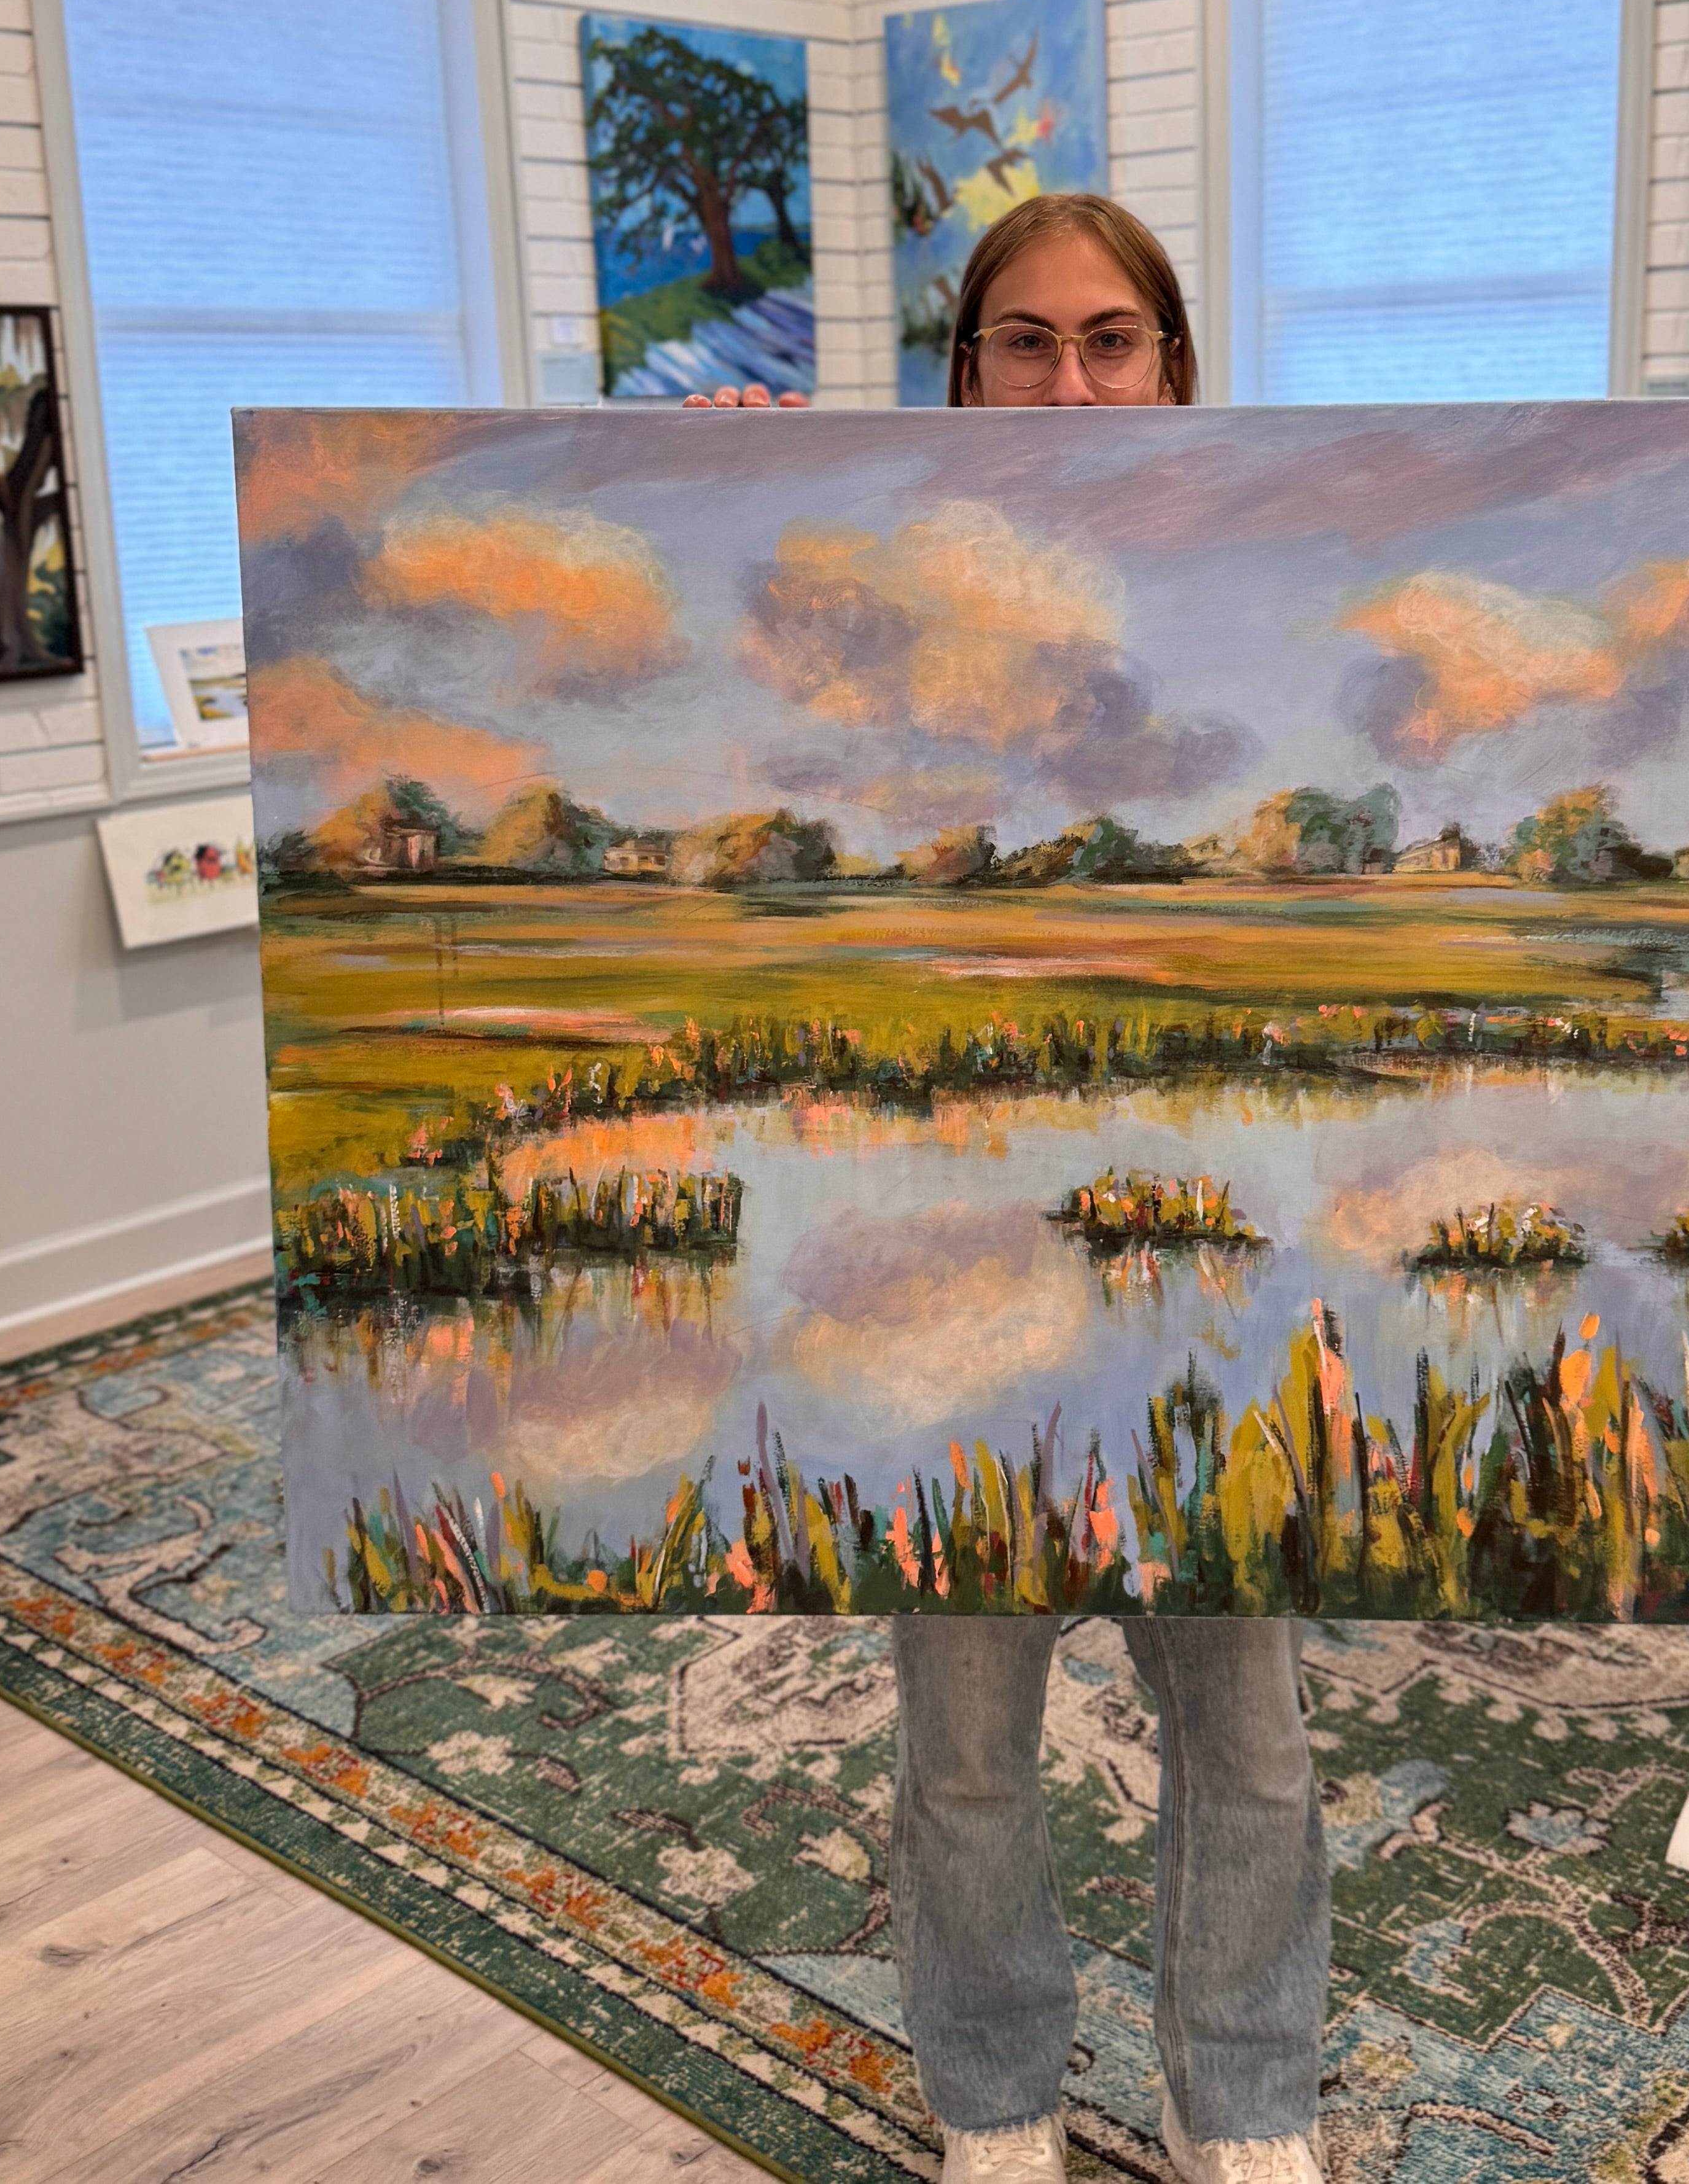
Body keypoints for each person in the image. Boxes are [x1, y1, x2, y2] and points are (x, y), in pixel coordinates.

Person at [689, 196, 1330, 2184]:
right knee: (964, 1740)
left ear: (1174, 364)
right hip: (948, 1259)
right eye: (1026, 341)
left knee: (1251, 1735)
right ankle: (990, 2098)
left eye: (1112, 339)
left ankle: (1242, 2102)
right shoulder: (882, 603)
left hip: (1197, 1252)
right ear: (961, 371)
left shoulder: (1268, 602)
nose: (1071, 378)